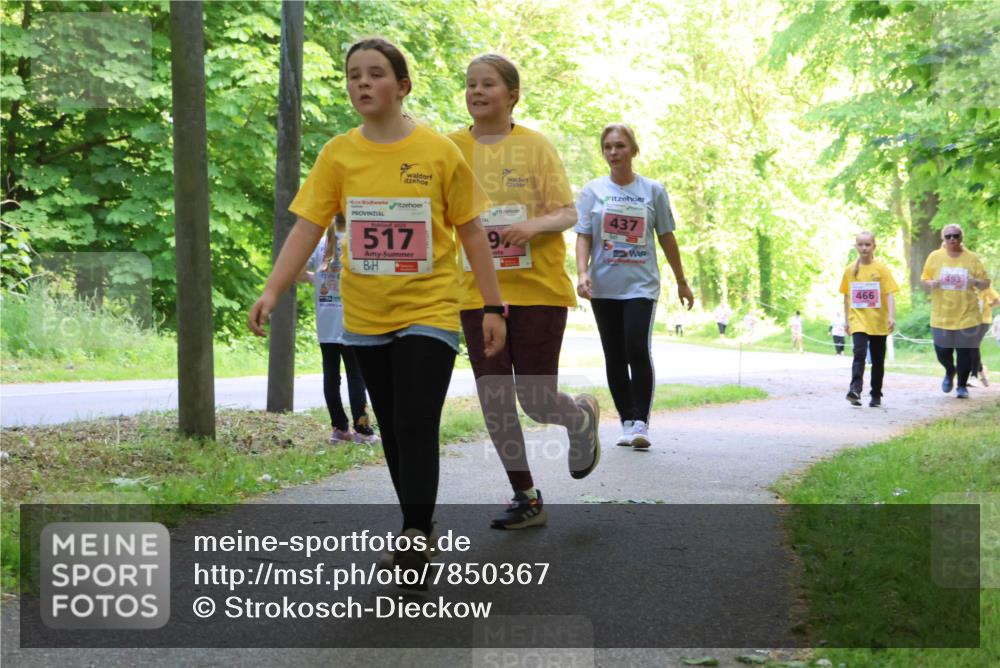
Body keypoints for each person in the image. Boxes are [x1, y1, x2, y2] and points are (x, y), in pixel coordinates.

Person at [247, 38, 506, 580]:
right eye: (353, 75)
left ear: (402, 86)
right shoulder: (338, 154)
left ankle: (415, 535)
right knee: (391, 425)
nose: (362, 83)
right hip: (364, 315)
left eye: (375, 73)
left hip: (430, 309)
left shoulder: (439, 151)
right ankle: (417, 527)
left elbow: (472, 232)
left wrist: (492, 305)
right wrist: (273, 289)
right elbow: (308, 227)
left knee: (415, 420)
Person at [449, 54, 601, 530]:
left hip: (537, 289)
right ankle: (526, 496)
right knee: (495, 399)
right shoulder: (450, 148)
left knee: (535, 401)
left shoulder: (535, 147)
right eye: (470, 84)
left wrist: (532, 226)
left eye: (487, 84)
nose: (476, 92)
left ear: (512, 95)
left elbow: (568, 212)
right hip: (477, 293)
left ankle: (579, 418)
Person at [575, 124, 694, 450]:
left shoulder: (652, 190)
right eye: (608, 147)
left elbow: (666, 237)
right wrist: (582, 273)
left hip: (641, 285)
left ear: (634, 150)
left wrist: (681, 281)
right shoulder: (593, 191)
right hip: (603, 286)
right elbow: (584, 235)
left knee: (636, 347)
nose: (614, 152)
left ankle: (641, 421)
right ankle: (627, 421)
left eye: (620, 146)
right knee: (614, 353)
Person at [298, 217, 377, 444]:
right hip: (352, 320)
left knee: (331, 375)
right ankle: (363, 430)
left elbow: (297, 272)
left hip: (326, 322)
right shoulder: (358, 242)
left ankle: (339, 429)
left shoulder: (320, 244)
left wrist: (315, 278)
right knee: (356, 375)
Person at [921, 224, 991, 399]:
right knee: (942, 351)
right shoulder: (935, 257)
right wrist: (932, 283)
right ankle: (949, 370)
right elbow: (924, 279)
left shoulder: (972, 258)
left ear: (961, 237)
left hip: (967, 313)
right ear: (943, 238)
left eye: (956, 235)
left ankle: (961, 386)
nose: (952, 239)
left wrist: (975, 281)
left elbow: (986, 283)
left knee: (964, 351)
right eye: (948, 236)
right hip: (941, 315)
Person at [839, 231, 898, 407]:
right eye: (861, 244)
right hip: (858, 320)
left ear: (874, 246)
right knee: (859, 353)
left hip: (878, 321)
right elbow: (846, 296)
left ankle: (876, 394)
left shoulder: (881, 269)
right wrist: (847, 320)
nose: (864, 248)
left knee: (878, 360)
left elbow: (889, 294)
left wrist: (891, 316)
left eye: (867, 244)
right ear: (856, 246)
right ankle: (855, 390)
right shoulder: (850, 270)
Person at [970, 284, 999, 386]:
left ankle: (974, 376)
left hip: (983, 321)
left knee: (973, 347)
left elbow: (997, 300)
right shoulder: (964, 285)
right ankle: (982, 372)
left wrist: (989, 306)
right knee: (969, 349)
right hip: (967, 322)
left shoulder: (985, 285)